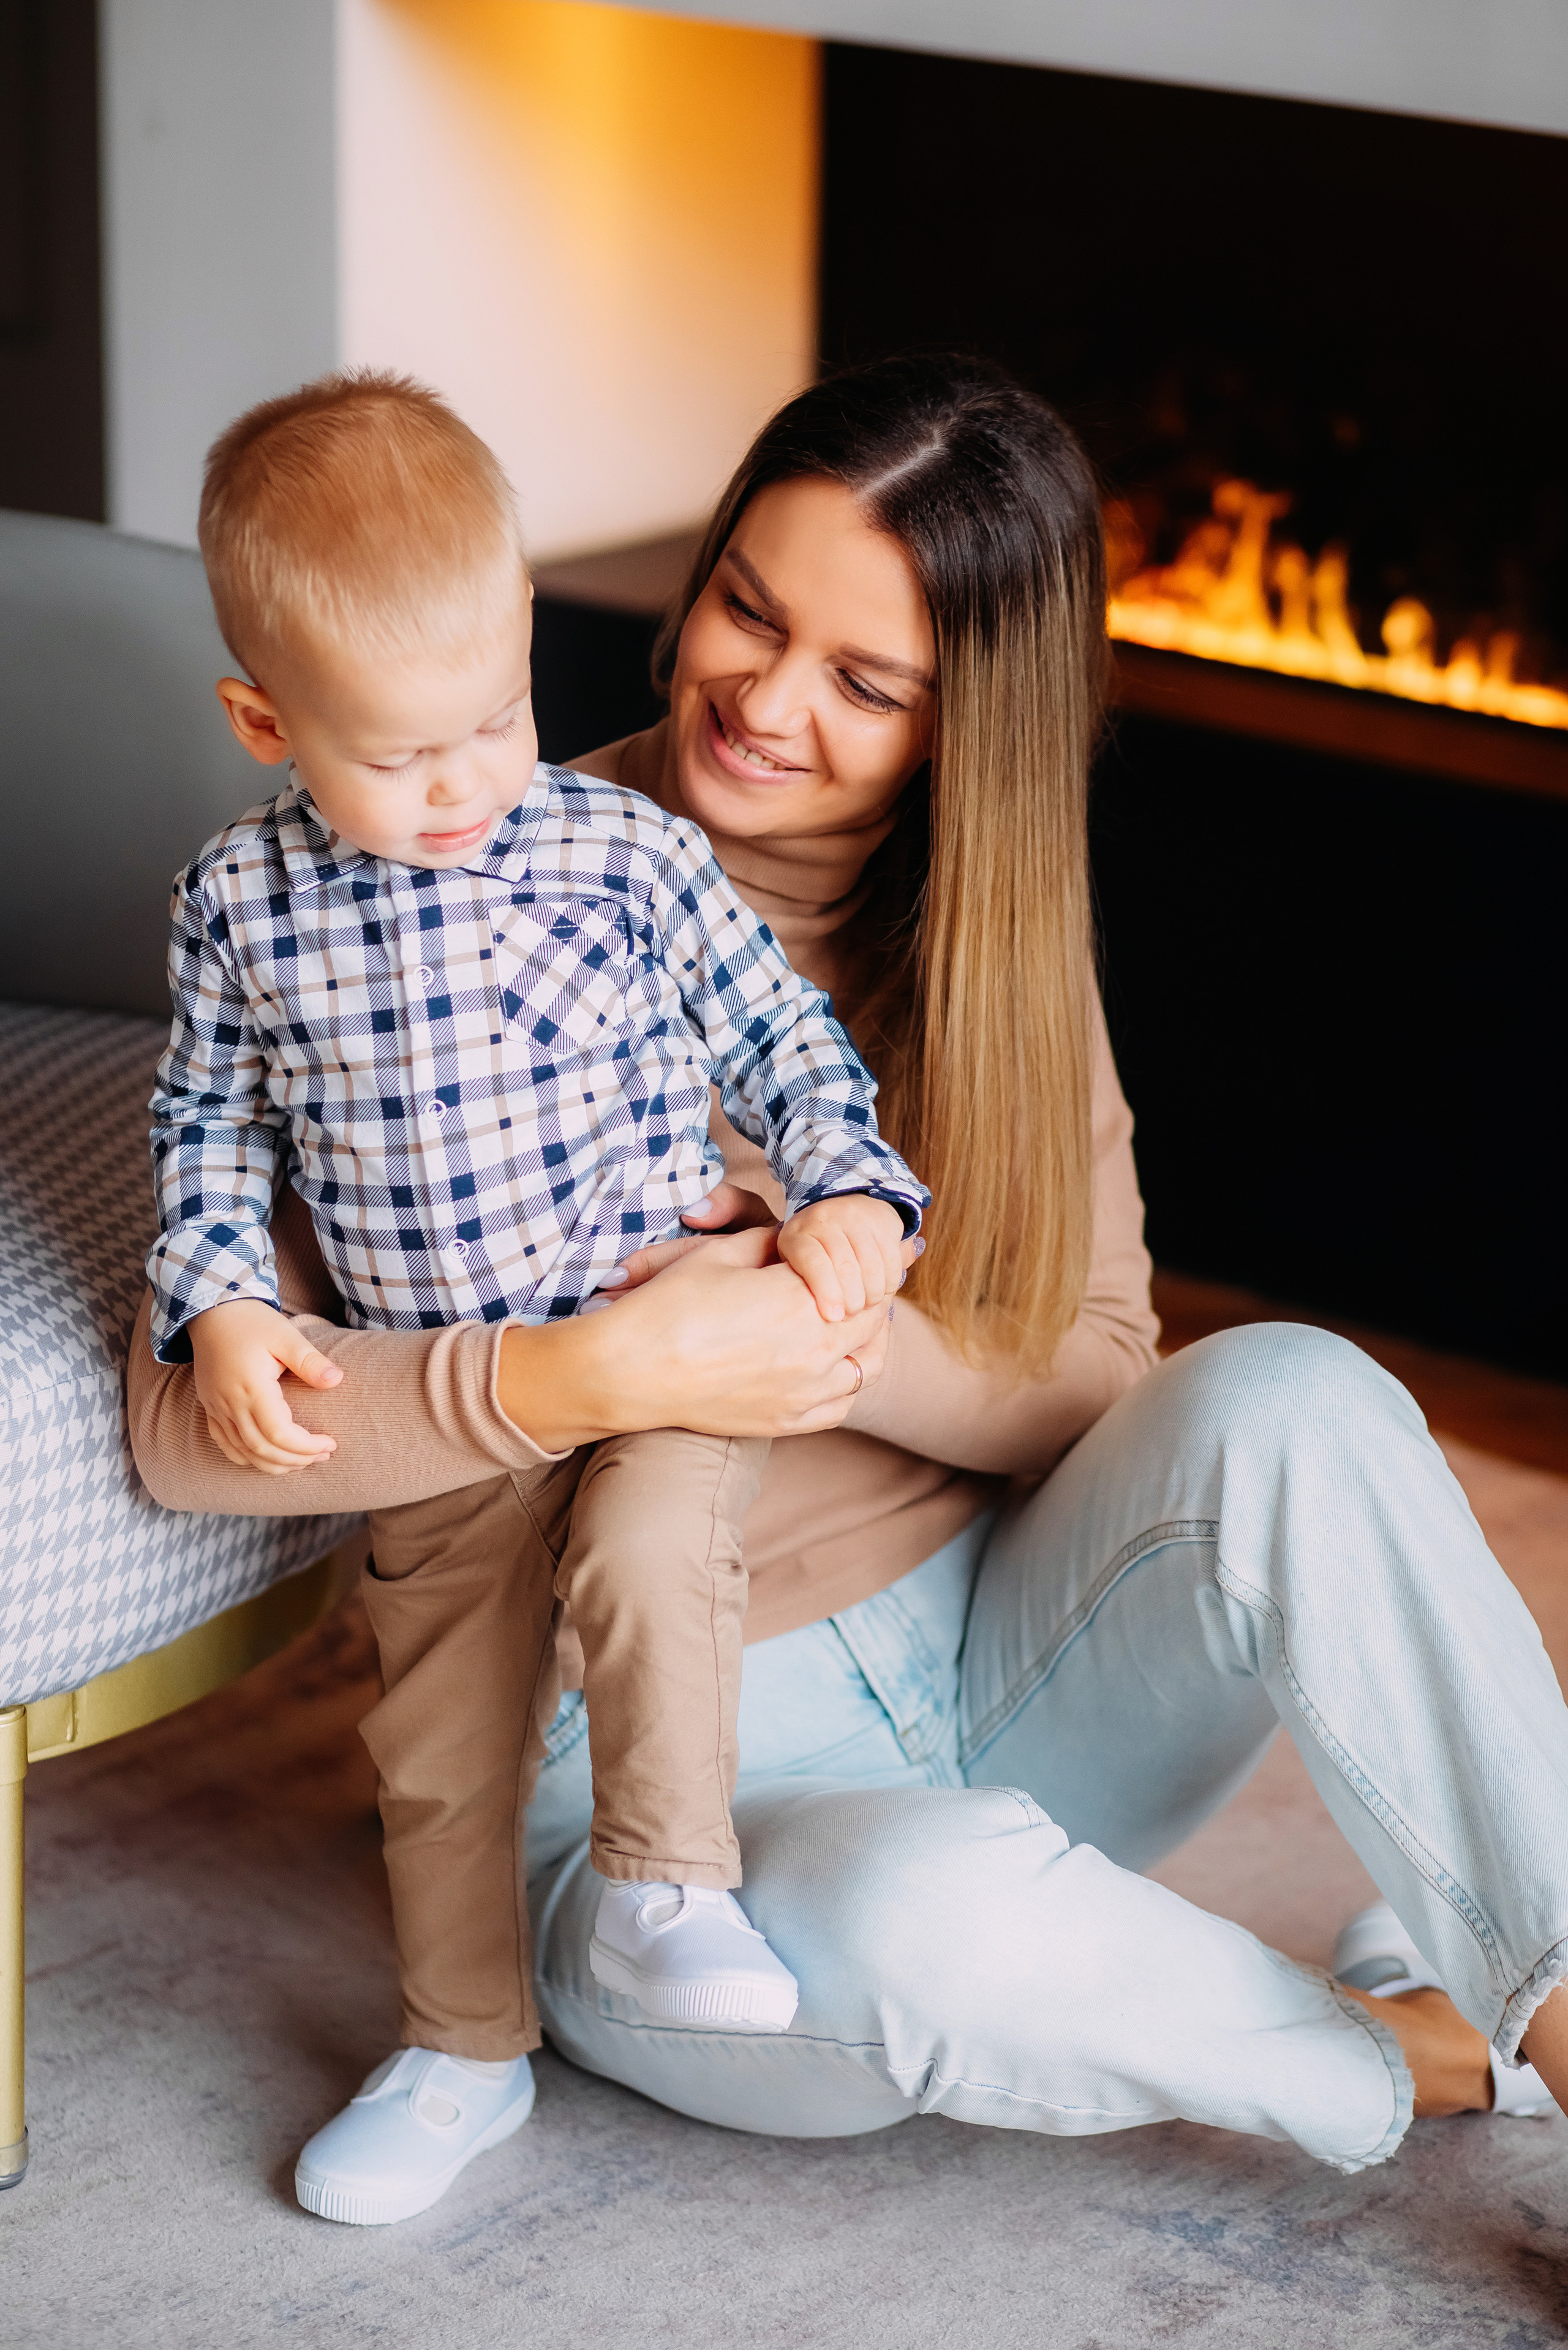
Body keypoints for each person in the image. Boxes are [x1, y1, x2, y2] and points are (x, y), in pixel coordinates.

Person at [130, 353, 1568, 2210]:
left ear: (967, 724)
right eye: (746, 605)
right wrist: (605, 1368)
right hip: (662, 1806)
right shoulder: (425, 909)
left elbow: (1106, 1371)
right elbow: (190, 1433)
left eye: (867, 682)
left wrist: (822, 1334)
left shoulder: (995, 950)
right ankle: (1405, 2044)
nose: (763, 699)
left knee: (1299, 1393)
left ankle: (1557, 2007)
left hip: (1010, 1650)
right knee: (928, 1931)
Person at [146, 370, 926, 2225]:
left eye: (498, 718)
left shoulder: (627, 853)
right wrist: (223, 1304)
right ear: (267, 721)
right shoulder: (239, 910)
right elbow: (204, 1130)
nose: (465, 784)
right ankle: (461, 2048)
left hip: (660, 1335)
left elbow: (788, 1042)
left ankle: (668, 1882)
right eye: (403, 755)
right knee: (439, 1743)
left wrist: (853, 1200)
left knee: (659, 1562)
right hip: (449, 1390)